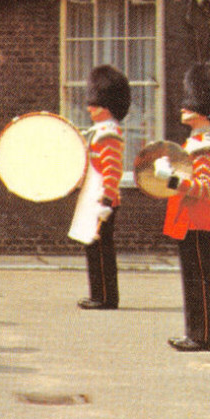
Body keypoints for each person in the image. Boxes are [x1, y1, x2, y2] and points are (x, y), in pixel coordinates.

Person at [155, 60, 210, 352]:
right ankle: (195, 333)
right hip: (187, 218)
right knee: (192, 279)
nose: (184, 106)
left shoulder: (208, 145)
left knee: (200, 280)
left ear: (204, 108)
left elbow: (206, 188)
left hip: (199, 220)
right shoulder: (195, 141)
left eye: (191, 102)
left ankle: (204, 336)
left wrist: (173, 180)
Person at [73, 65, 129, 311]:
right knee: (93, 247)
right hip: (95, 197)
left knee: (101, 249)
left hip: (103, 200)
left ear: (106, 107)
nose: (89, 108)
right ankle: (99, 294)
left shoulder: (109, 134)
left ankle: (106, 297)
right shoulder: (100, 132)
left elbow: (113, 170)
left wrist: (106, 201)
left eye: (94, 105)